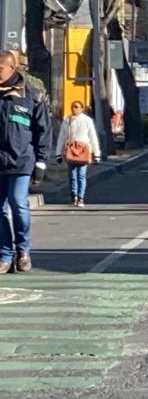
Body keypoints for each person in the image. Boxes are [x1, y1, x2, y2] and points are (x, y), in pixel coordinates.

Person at [0, 51, 50, 274]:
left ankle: (23, 250)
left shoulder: (31, 95)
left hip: (22, 160)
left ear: (12, 68)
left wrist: (41, 162)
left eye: (0, 69)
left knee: (18, 203)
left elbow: (43, 131)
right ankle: (4, 255)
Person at [57, 99, 100, 207]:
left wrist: (96, 153)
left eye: (76, 106)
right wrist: (58, 153)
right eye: (73, 106)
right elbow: (62, 137)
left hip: (83, 150)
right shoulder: (67, 120)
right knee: (72, 175)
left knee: (81, 175)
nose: (74, 108)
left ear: (82, 109)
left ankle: (81, 197)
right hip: (71, 150)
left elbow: (93, 137)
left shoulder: (87, 120)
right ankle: (73, 195)